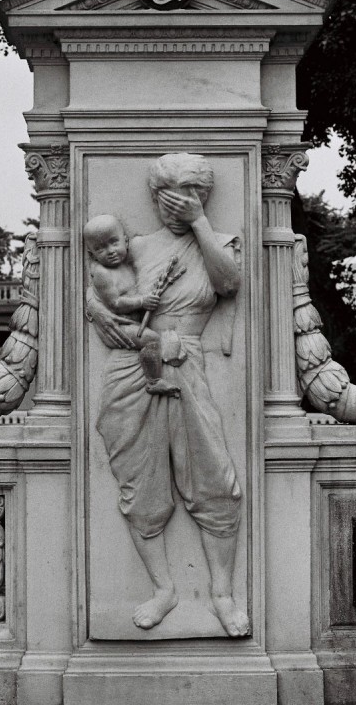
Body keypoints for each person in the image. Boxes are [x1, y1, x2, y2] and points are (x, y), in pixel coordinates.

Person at [87, 153, 248, 637]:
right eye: (162, 194)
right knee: (140, 483)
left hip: (187, 365)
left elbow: (229, 284)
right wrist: (96, 312)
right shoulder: (135, 247)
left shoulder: (219, 245)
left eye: (183, 194)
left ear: (201, 196)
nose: (169, 203)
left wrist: (199, 223)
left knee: (215, 481)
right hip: (134, 366)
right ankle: (163, 589)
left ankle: (221, 593)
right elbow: (100, 284)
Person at [83, 214, 180, 397]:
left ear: (125, 241)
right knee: (152, 339)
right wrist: (142, 302)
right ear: (92, 254)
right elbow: (115, 304)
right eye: (100, 248)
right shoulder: (102, 273)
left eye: (114, 243)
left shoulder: (126, 264)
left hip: (131, 322)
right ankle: (153, 381)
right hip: (119, 326)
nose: (110, 251)